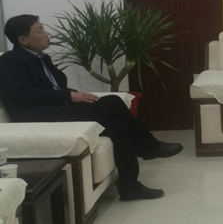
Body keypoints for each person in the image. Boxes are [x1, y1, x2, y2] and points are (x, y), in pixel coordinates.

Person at [0, 14, 183, 201]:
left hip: (56, 108)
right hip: (37, 117)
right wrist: (69, 95)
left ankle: (130, 188)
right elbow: (24, 95)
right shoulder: (10, 61)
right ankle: (150, 146)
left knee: (119, 127)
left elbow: (55, 85)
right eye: (40, 31)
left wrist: (71, 94)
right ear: (22, 40)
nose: (47, 34)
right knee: (113, 101)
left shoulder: (39, 58)